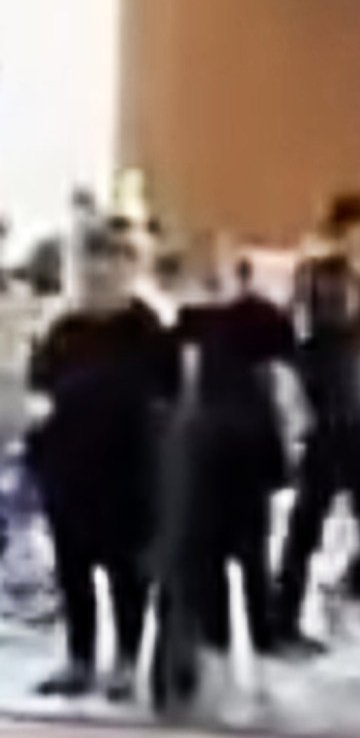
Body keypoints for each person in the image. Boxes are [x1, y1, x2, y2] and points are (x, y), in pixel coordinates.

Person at [17, 230, 176, 698]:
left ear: (129, 272)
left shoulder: (148, 331)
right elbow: (38, 391)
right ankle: (79, 657)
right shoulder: (62, 332)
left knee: (127, 574)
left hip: (129, 473)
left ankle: (127, 660)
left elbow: (168, 399)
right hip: (68, 471)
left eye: (110, 269)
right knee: (73, 572)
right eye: (89, 271)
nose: (98, 280)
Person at [151, 238, 296, 706]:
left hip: (247, 455)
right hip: (202, 461)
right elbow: (171, 390)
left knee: (252, 560)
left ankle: (263, 649)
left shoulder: (264, 319)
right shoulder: (188, 325)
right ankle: (210, 654)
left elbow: (284, 384)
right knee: (206, 560)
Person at [278, 192, 360, 648]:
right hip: (329, 421)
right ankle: (283, 619)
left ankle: (349, 588)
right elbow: (301, 344)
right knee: (306, 524)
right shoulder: (318, 281)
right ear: (347, 231)